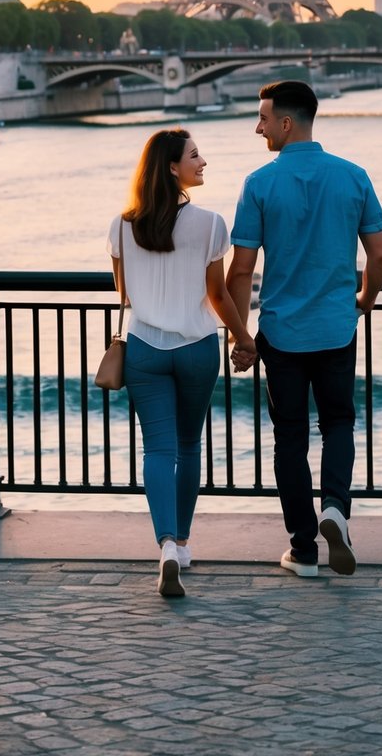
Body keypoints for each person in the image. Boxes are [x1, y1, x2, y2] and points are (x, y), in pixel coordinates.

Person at [227, 80, 382, 578]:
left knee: (290, 439)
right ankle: (335, 508)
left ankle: (302, 550)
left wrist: (241, 336)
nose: (258, 128)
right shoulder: (353, 176)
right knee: (339, 423)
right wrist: (363, 300)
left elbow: (239, 271)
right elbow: (379, 255)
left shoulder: (258, 184)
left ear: (286, 122)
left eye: (262, 118)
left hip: (282, 332)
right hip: (337, 328)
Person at [108, 128, 256, 598]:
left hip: (145, 348)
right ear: (173, 167)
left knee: (158, 450)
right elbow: (216, 294)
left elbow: (123, 291)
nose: (203, 162)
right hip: (195, 348)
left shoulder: (122, 225)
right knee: (190, 445)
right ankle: (186, 542)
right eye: (195, 156)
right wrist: (242, 336)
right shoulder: (211, 224)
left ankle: (166, 545)